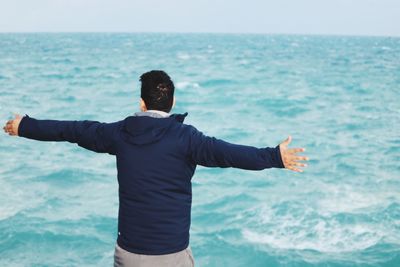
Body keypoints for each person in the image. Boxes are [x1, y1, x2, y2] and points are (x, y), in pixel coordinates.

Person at [3, 70, 309, 267]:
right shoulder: (188, 139)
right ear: (172, 102)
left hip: (130, 255)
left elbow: (71, 130)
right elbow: (229, 154)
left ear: (142, 103)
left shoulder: (119, 134)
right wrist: (275, 156)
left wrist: (24, 126)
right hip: (172, 256)